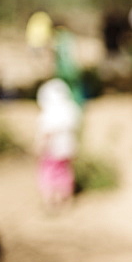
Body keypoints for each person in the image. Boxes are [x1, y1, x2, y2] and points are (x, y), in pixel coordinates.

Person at [35, 78, 82, 210]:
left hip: (51, 150)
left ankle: (50, 200)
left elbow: (46, 133)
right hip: (67, 149)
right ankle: (65, 199)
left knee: (48, 174)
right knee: (65, 173)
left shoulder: (48, 114)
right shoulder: (70, 111)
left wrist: (39, 148)